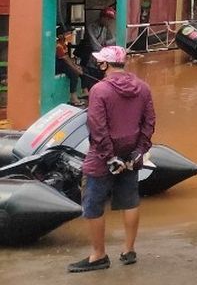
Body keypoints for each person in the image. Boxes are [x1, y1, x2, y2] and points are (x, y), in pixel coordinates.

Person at [67, 46, 155, 273]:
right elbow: (149, 122)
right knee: (130, 199)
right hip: (131, 154)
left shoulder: (99, 90)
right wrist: (139, 151)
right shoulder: (143, 88)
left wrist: (109, 157)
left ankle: (98, 255)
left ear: (104, 65)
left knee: (92, 203)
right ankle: (129, 250)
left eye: (100, 62)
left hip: (102, 157)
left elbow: (97, 127)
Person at [56, 28, 85, 106]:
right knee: (74, 74)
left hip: (64, 63)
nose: (69, 35)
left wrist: (76, 66)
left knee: (81, 69)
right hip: (59, 65)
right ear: (60, 36)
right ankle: (73, 97)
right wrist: (75, 69)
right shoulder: (58, 46)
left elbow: (68, 57)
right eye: (67, 33)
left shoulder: (63, 44)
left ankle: (84, 91)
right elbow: (65, 60)